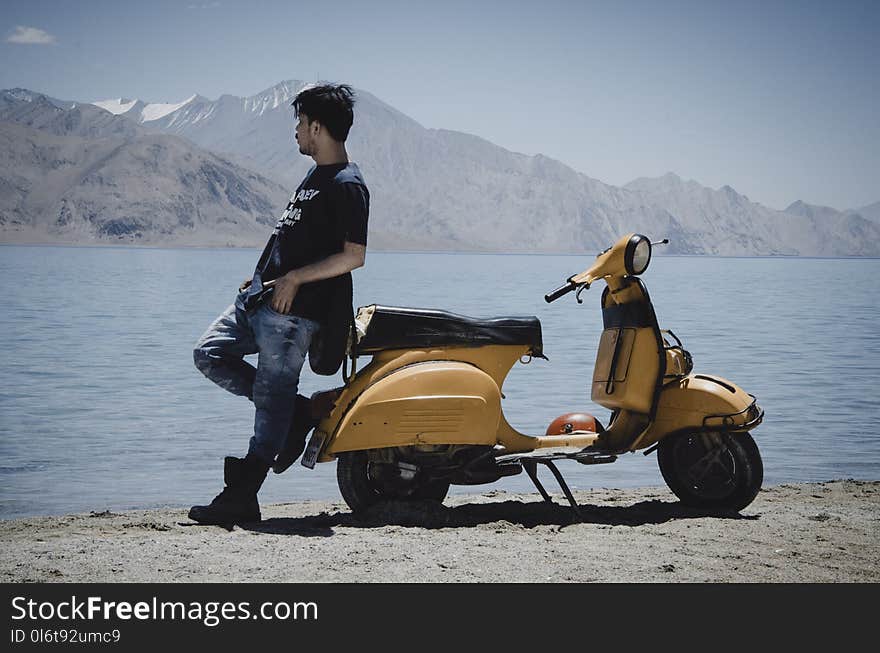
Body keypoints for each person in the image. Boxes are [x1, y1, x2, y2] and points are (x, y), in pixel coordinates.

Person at [189, 83, 369, 526]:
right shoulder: (313, 177)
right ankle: (301, 412)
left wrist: (294, 278)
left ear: (318, 127)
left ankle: (241, 496)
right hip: (262, 299)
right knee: (209, 354)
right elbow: (297, 240)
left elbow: (354, 256)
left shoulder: (348, 184)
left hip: (295, 316)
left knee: (271, 402)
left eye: (300, 123)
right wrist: (266, 276)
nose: (295, 132)